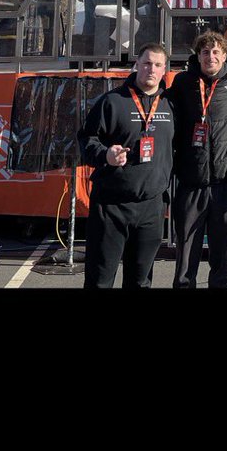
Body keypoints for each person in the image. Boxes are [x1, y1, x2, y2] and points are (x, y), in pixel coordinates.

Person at [78, 43, 174, 289]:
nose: (151, 69)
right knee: (100, 281)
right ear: (136, 65)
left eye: (157, 65)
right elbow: (86, 140)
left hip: (151, 207)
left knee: (140, 282)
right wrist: (106, 155)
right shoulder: (112, 101)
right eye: (146, 63)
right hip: (111, 206)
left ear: (165, 70)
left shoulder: (170, 105)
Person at [169, 29, 227, 288]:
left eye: (216, 52)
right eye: (205, 52)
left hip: (225, 186)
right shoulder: (182, 83)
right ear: (198, 55)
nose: (211, 57)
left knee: (222, 263)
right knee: (184, 265)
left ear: (225, 56)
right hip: (191, 186)